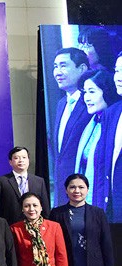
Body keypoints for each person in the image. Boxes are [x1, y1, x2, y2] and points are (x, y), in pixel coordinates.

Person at [51, 48, 91, 206]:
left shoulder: (91, 103)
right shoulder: (61, 104)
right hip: (63, 191)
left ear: (81, 68)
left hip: (85, 190)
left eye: (63, 65)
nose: (57, 72)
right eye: (55, 66)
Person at [73, 70, 119, 204]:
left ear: (107, 91)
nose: (87, 97)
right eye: (85, 92)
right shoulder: (91, 124)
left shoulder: (114, 126)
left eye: (92, 92)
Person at [94, 52, 122, 220]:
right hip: (114, 211)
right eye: (117, 71)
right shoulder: (112, 112)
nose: (118, 77)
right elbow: (102, 164)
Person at [0, 146, 51, 224]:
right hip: (10, 225)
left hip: (35, 226)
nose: (21, 160)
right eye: (16, 158)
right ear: (10, 162)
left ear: (28, 160)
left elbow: (45, 206)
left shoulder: (39, 181)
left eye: (24, 157)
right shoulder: (1, 181)